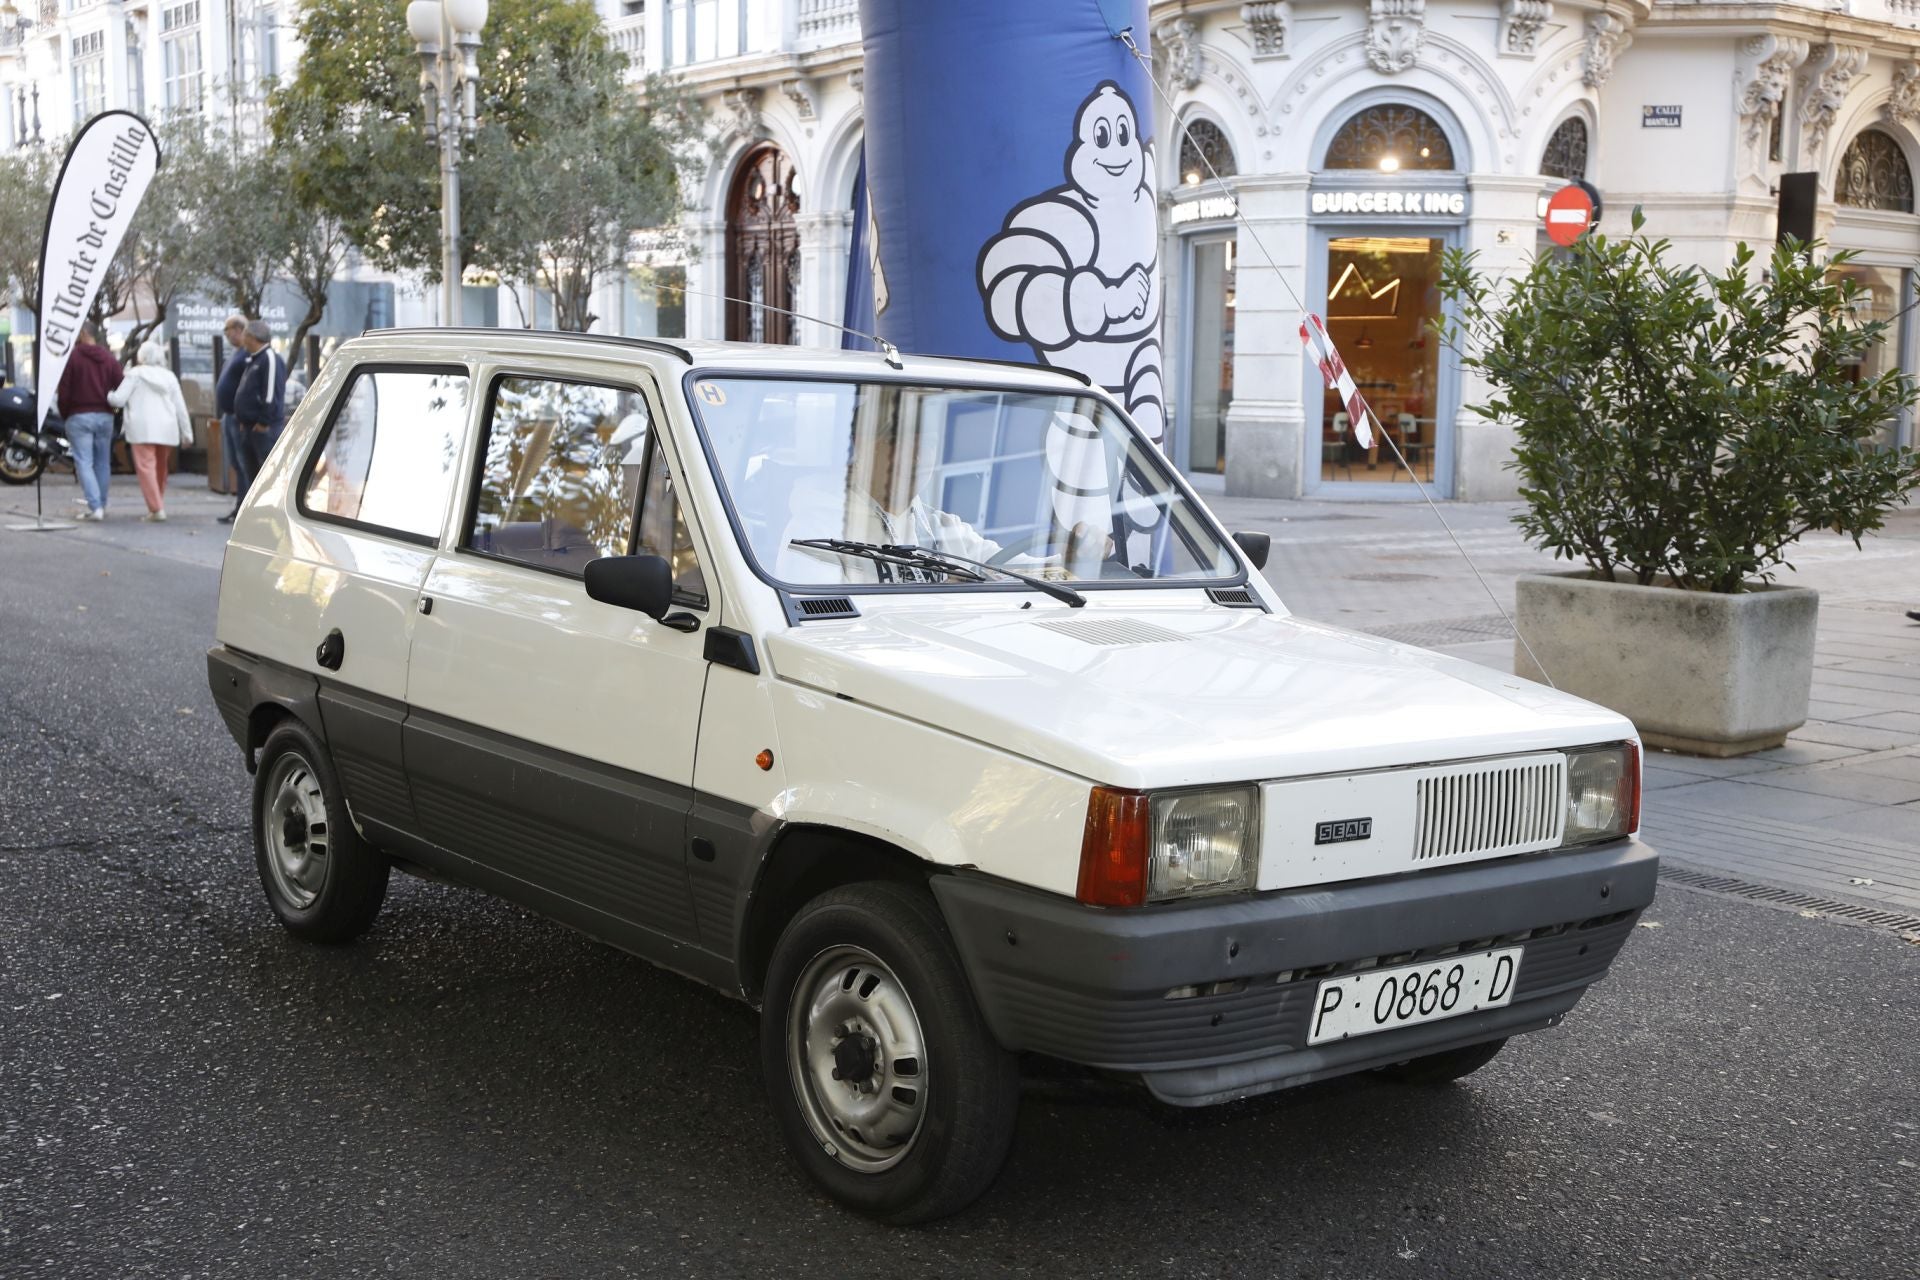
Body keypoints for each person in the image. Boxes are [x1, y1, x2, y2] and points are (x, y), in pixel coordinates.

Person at [107, 340, 194, 522]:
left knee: (146, 468)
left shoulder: (135, 374)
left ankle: (156, 508)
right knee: (161, 469)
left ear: (142, 356)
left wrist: (108, 394)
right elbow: (180, 407)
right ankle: (157, 504)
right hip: (167, 428)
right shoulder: (169, 377)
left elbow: (119, 400)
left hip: (142, 429)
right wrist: (187, 433)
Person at [55, 323, 124, 522]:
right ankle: (101, 504)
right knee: (103, 462)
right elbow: (121, 383)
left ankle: (95, 507)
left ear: (83, 334)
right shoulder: (109, 358)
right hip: (105, 415)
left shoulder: (73, 358)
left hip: (79, 415)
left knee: (84, 462)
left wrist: (65, 413)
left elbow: (64, 391)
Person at [232, 319, 288, 489]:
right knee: (253, 478)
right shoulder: (254, 359)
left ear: (251, 337)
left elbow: (270, 394)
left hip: (264, 430)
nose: (242, 339)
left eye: (244, 335)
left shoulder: (269, 358)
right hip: (249, 427)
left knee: (267, 478)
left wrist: (263, 422)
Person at [214, 314, 250, 524]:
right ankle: (239, 505)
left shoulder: (247, 354)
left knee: (243, 463)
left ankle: (243, 508)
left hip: (238, 418)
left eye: (227, 329)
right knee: (236, 463)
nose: (226, 334)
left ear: (237, 329)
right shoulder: (237, 353)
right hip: (229, 416)